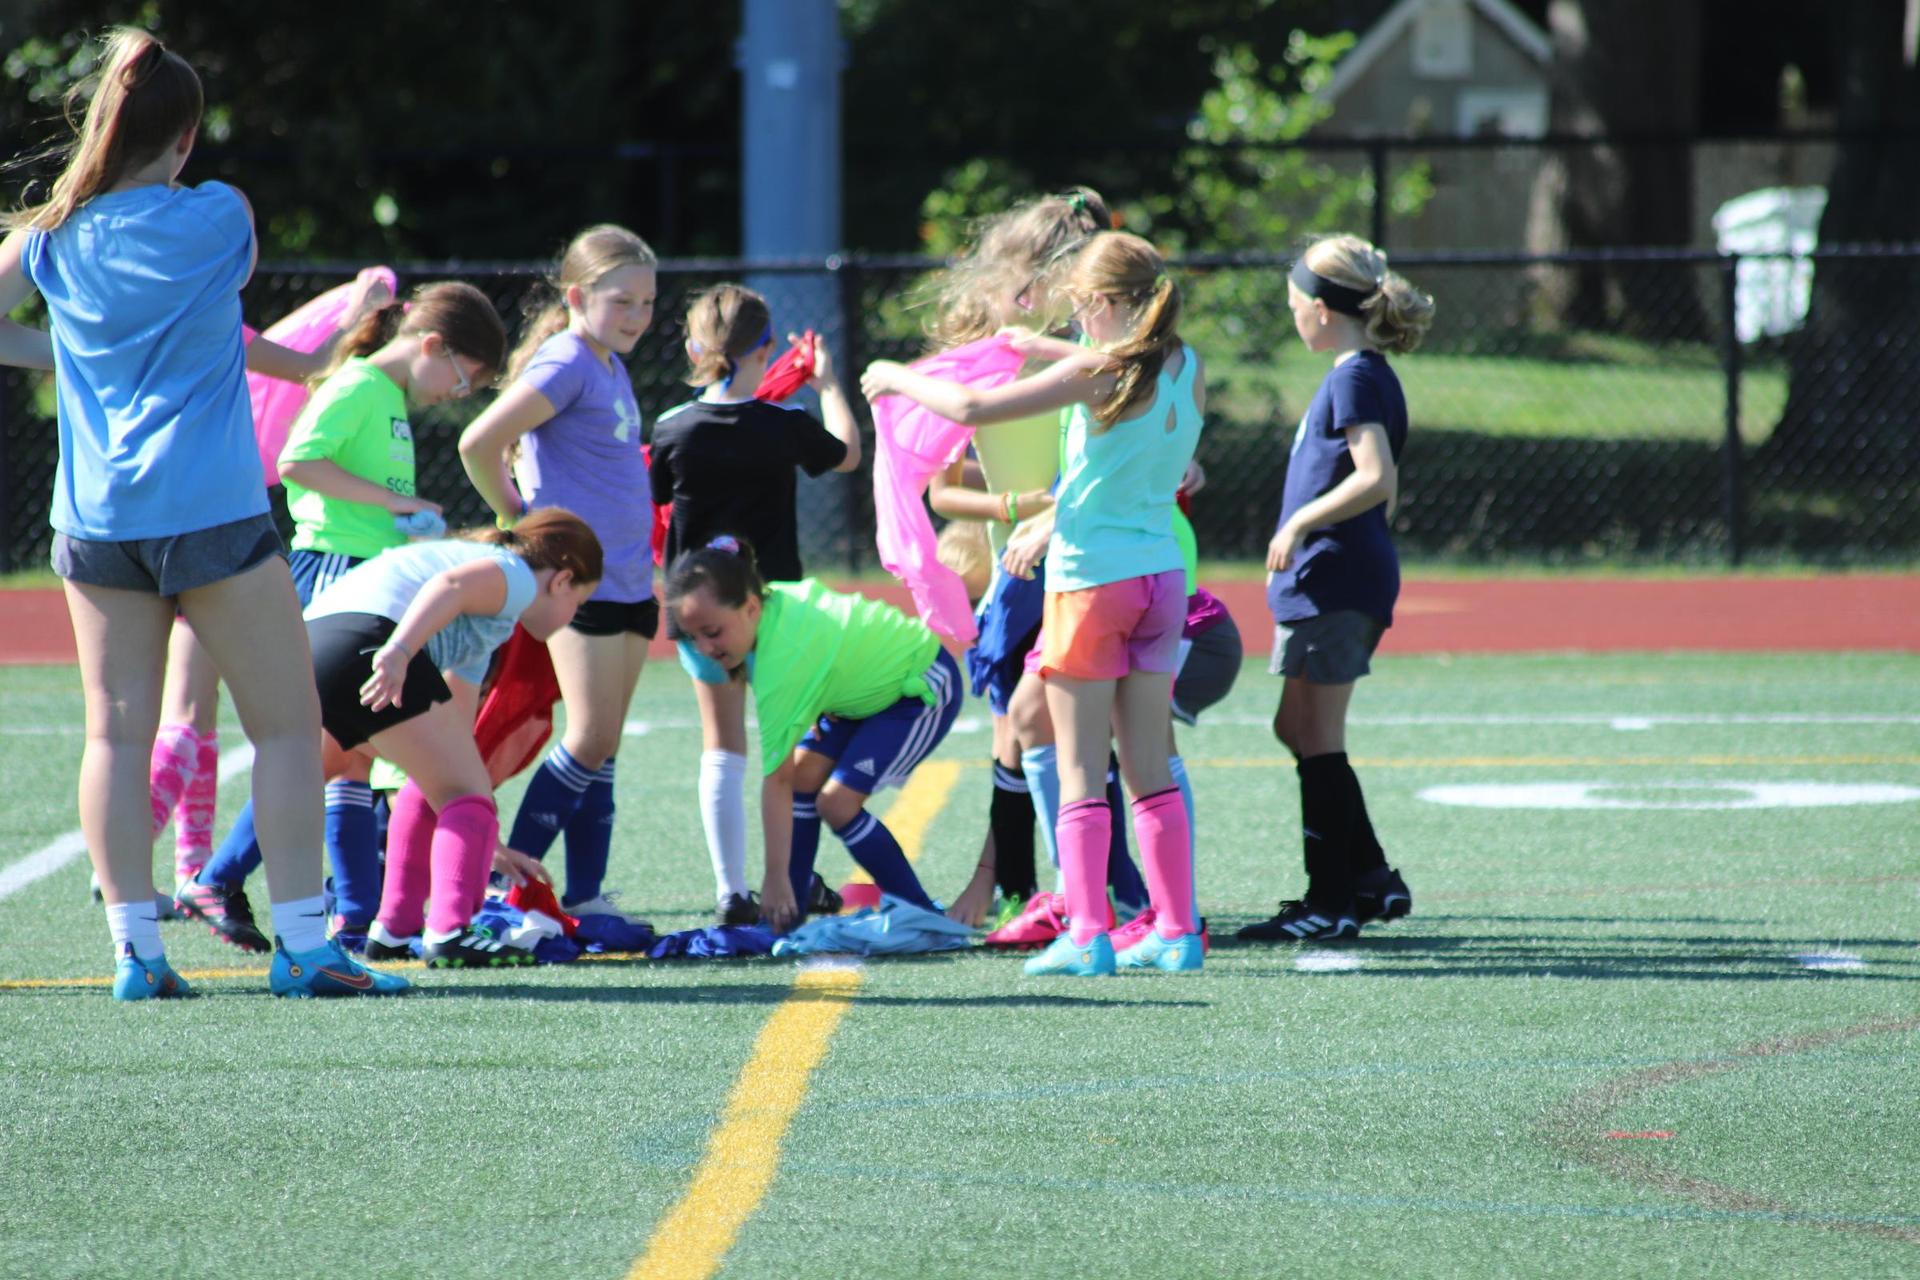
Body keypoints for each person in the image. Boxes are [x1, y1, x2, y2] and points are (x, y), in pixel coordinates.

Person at [0, 28, 402, 998]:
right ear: (184, 135)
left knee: (115, 736)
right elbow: (222, 305)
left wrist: (71, 358)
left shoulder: (50, 234)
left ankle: (136, 952)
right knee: (287, 725)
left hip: (95, 521)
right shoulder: (222, 215)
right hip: (213, 511)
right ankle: (306, 946)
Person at [862, 231, 1204, 976]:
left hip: (1090, 584)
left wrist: (893, 374)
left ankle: (1088, 934)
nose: (1076, 324)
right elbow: (1122, 379)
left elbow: (971, 404)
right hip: (1160, 580)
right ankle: (1179, 931)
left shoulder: (1096, 368)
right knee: (1150, 769)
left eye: (1082, 308)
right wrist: (1043, 348)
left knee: (1081, 771)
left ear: (1108, 304)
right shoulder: (1186, 366)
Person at [179, 282, 507, 952]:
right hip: (333, 572)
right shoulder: (359, 385)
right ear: (432, 344)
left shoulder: (385, 398)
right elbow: (299, 461)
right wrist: (397, 507)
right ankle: (232, 879)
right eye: (464, 376)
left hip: (363, 575)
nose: (458, 393)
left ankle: (351, 916)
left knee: (343, 755)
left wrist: (405, 521)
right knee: (328, 749)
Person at [142, 275, 395, 912]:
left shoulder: (128, 321)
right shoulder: (219, 324)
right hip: (213, 515)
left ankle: (177, 869)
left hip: (130, 511)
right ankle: (163, 863)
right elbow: (310, 363)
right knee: (274, 721)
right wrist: (360, 305)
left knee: (175, 712)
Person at [916, 189, 1111, 927]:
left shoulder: (1096, 359)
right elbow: (943, 490)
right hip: (1022, 570)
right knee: (1018, 730)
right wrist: (1016, 510)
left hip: (1092, 566)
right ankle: (1018, 887)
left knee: (1076, 731)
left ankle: (1092, 893)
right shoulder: (989, 363)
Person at [459, 224, 657, 922]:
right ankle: (510, 892)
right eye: (622, 300)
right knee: (590, 738)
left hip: (630, 583)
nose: (637, 315)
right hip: (580, 583)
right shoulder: (569, 359)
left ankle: (584, 896)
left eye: (647, 303)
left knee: (602, 746)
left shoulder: (608, 362)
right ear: (577, 296)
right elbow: (479, 441)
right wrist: (522, 522)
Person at [297, 511, 600, 967]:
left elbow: (454, 743)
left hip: (315, 640)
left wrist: (487, 844)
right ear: (561, 580)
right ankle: (450, 931)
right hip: (369, 640)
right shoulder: (517, 577)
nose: (572, 618)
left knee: (435, 781)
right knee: (468, 794)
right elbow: (450, 588)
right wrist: (399, 651)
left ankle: (394, 930)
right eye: (581, 601)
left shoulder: (487, 623)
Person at [1237, 234, 1432, 943]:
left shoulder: (1353, 377)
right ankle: (1371, 878)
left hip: (1333, 580)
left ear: (1322, 310)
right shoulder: (1363, 372)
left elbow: (1376, 477)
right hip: (1338, 577)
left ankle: (1331, 901)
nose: (1293, 316)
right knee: (1297, 728)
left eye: (1295, 305)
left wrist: (1300, 524)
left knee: (1314, 733)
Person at [647, 283, 861, 925]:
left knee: (722, 743)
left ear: (693, 347)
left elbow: (655, 496)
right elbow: (847, 454)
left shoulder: (672, 429)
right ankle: (789, 885)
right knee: (783, 749)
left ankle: (731, 891)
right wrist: (825, 386)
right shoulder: (784, 426)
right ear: (767, 347)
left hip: (698, 611)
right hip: (775, 611)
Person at [665, 538, 958, 933]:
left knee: (838, 804)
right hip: (860, 696)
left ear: (751, 607)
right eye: (692, 637)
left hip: (919, 687)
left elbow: (777, 781)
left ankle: (922, 916)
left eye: (712, 632)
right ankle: (794, 907)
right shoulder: (768, 611)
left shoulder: (781, 662)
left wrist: (773, 878)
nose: (703, 647)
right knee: (806, 779)